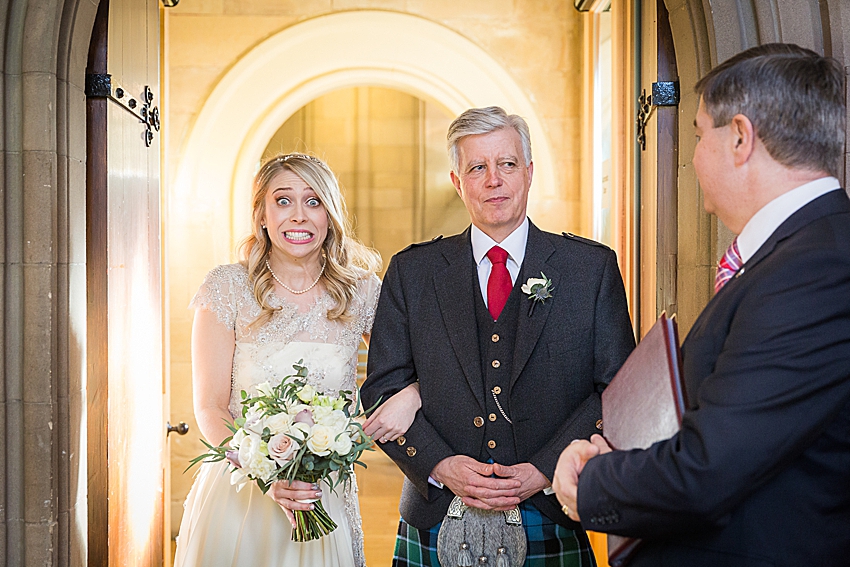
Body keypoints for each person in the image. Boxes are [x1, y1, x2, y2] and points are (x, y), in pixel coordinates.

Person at [553, 43, 850, 566]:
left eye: (696, 134)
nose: (691, 157)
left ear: (739, 137)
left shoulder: (816, 267)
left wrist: (593, 482)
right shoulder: (802, 252)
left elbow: (712, 466)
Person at [361, 106, 635, 566]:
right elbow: (381, 390)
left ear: (528, 173)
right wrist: (440, 466)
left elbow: (617, 390)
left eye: (506, 164)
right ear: (457, 181)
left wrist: (545, 469)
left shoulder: (590, 269)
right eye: (477, 167)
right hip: (435, 513)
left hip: (551, 509)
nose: (494, 180)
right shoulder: (413, 272)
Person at [174, 152, 419, 567]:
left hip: (325, 494)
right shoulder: (227, 287)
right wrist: (265, 475)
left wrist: (412, 394)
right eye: (283, 201)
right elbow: (210, 406)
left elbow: (410, 367)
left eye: (314, 201)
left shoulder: (360, 291)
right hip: (239, 494)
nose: (299, 216)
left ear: (330, 215)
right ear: (262, 215)